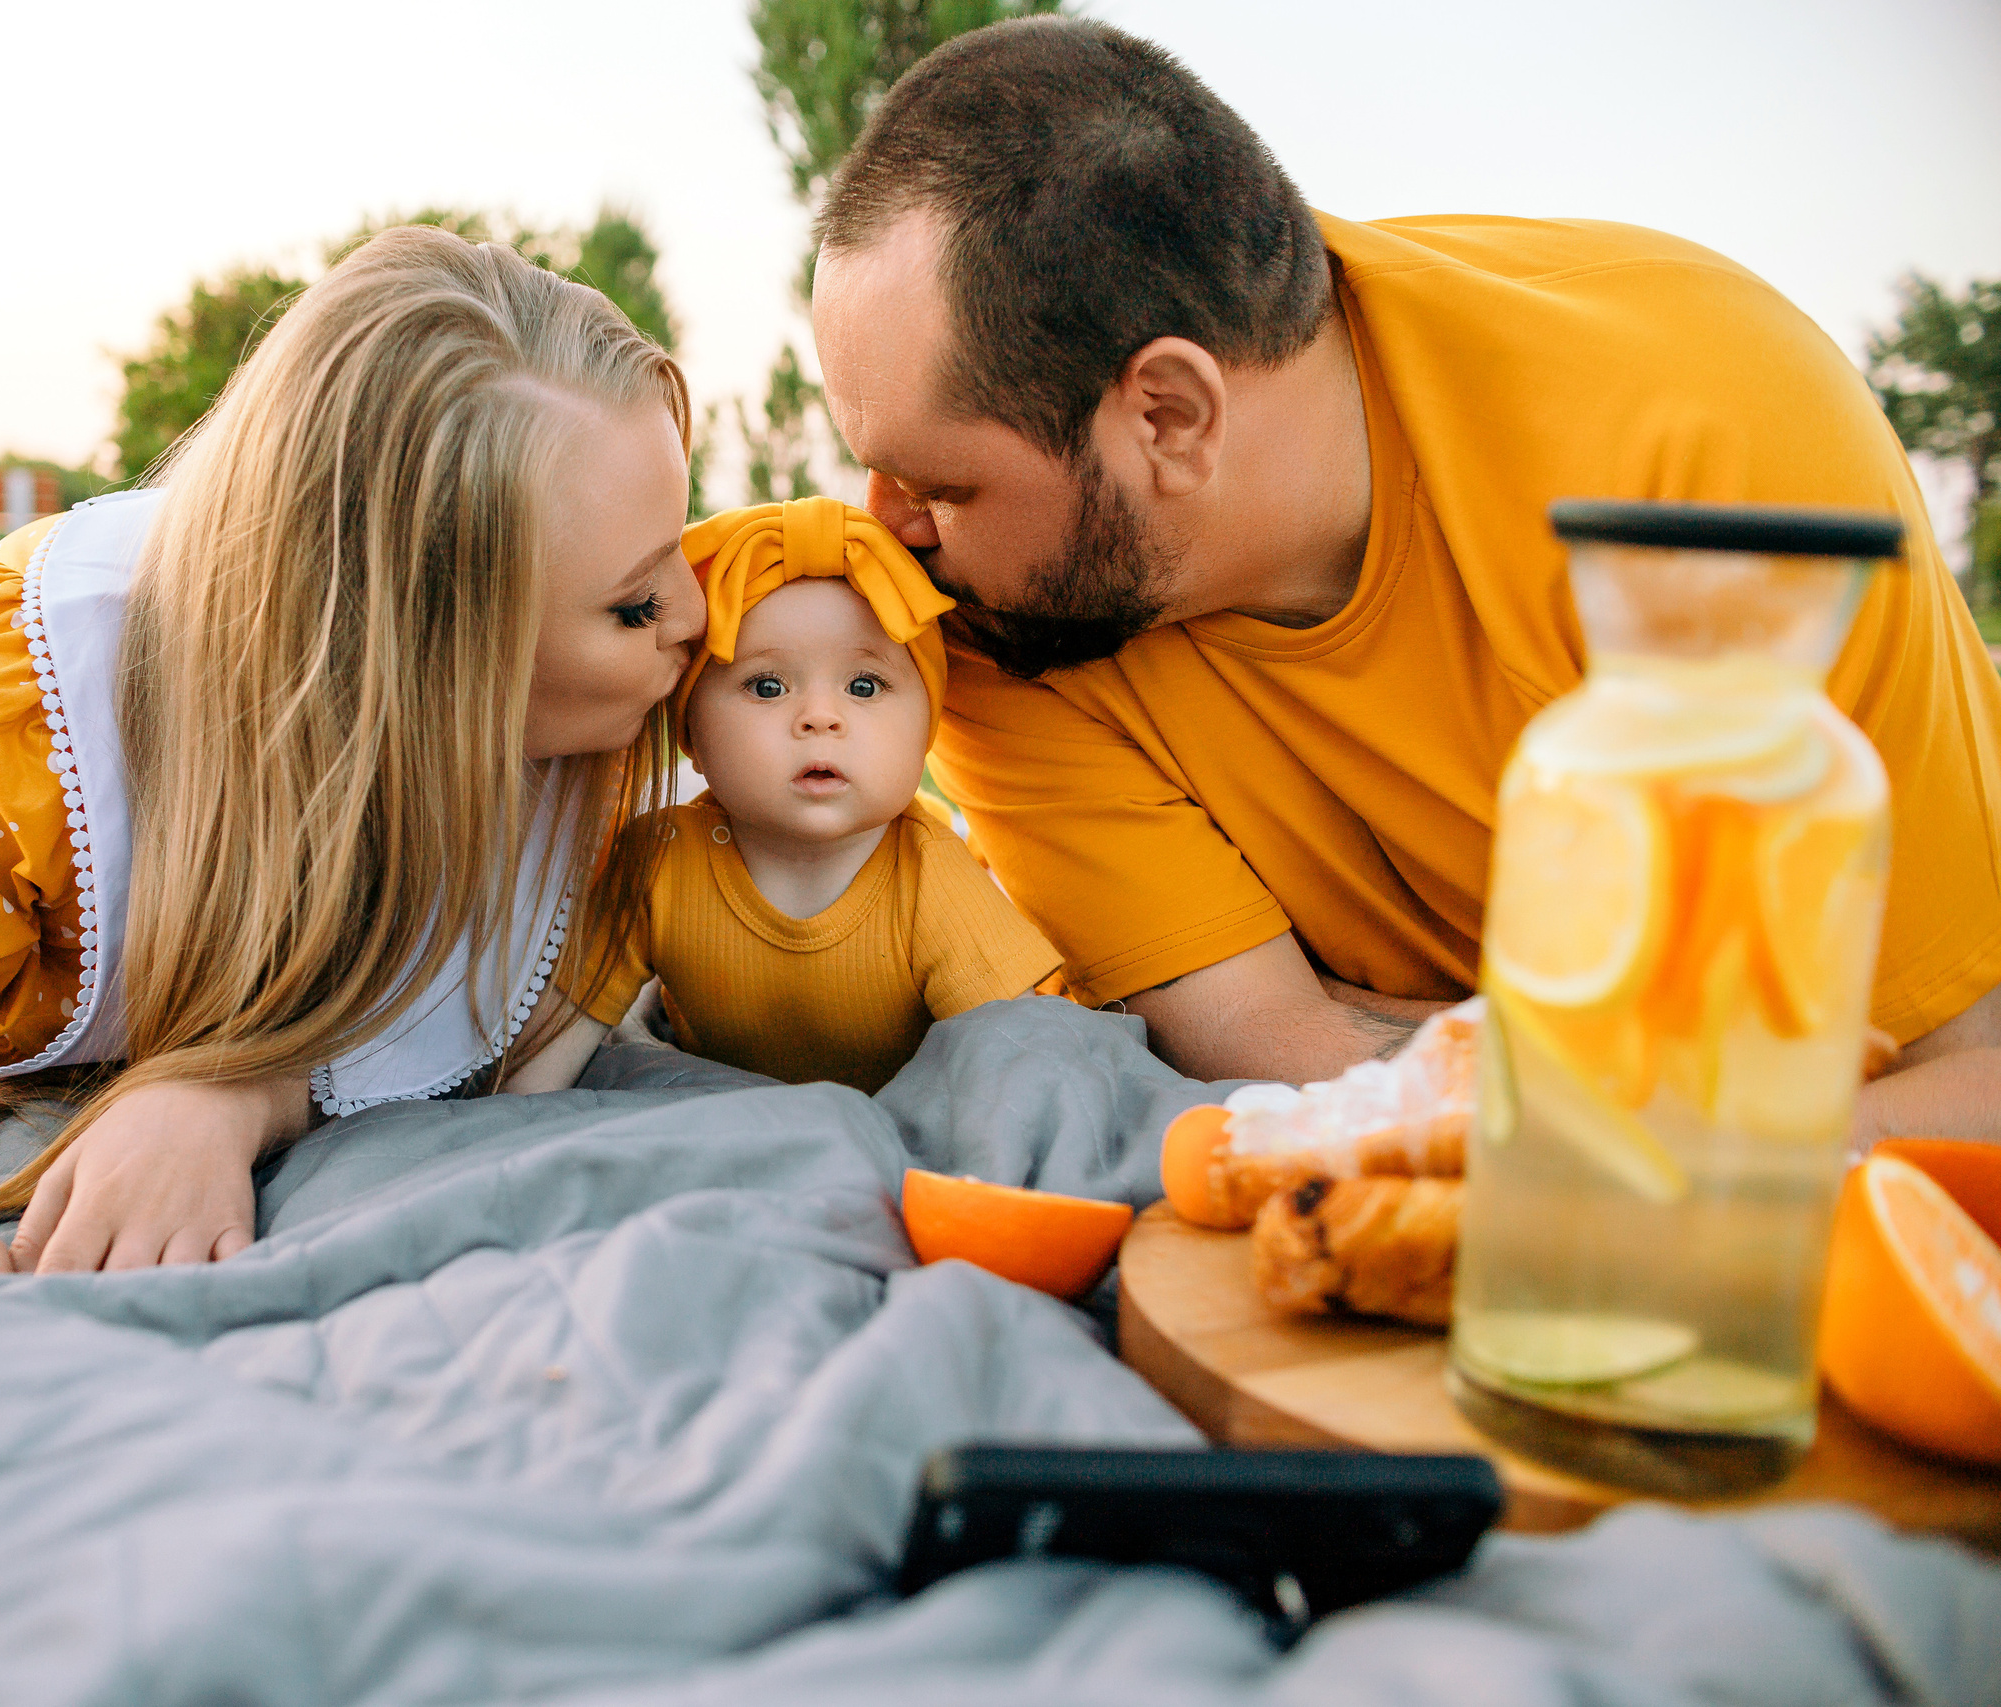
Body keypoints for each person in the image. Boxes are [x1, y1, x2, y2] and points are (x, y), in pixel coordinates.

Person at [805, 17, 2001, 1140]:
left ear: (1167, 413)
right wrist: (1701, 1095)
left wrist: (1617, 1152)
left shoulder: (1712, 453)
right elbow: (1287, 1049)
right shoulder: (996, 627)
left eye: (944, 485)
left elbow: (1967, 1069)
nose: (886, 529)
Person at [0, 227, 708, 1306]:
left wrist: (234, 1093)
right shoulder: (15, 733)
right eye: (633, 603)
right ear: (425, 666)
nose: (699, 615)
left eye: (683, 540)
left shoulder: (610, 735)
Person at [509, 498, 1060, 1095]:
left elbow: (1017, 1064)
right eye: (767, 686)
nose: (820, 718)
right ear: (691, 728)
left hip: (895, 1116)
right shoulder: (659, 861)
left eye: (864, 685)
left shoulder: (927, 874)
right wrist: (510, 1124)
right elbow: (563, 1028)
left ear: (927, 727)